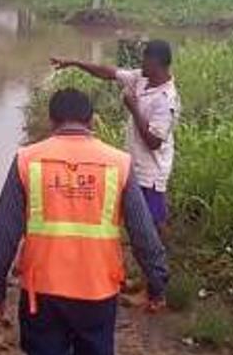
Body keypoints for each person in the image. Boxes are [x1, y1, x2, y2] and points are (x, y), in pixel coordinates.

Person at [0, 88, 169, 355]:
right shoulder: (118, 163)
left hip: (41, 293)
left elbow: (2, 235)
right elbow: (144, 234)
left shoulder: (27, 160)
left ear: (50, 120)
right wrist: (157, 283)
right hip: (97, 292)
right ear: (92, 121)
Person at [51, 40, 180, 230]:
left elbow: (154, 142)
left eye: (144, 59)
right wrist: (74, 63)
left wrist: (134, 108)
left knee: (152, 223)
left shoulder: (166, 100)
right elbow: (107, 73)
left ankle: (157, 255)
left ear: (155, 62)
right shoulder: (142, 79)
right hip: (135, 166)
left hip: (151, 173)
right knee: (134, 220)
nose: (141, 63)